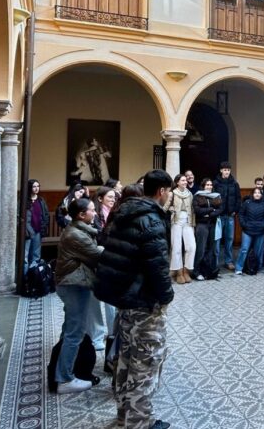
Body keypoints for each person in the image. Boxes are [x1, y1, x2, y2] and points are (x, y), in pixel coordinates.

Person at [94, 169, 174, 429]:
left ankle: (124, 416)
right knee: (146, 362)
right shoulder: (151, 218)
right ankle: (139, 423)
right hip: (144, 300)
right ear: (161, 191)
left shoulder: (123, 212)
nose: (169, 196)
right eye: (168, 191)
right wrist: (166, 296)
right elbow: (157, 264)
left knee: (126, 359)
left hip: (124, 297)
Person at [54, 197, 102, 394]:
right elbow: (96, 254)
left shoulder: (79, 230)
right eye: (92, 210)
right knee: (75, 332)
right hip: (74, 284)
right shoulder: (76, 235)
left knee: (70, 328)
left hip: (73, 283)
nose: (95, 213)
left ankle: (62, 369)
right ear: (82, 215)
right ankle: (64, 379)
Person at [168, 174, 196, 285]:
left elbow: (193, 210)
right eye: (183, 180)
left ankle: (186, 270)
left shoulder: (189, 194)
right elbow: (165, 207)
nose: (185, 182)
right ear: (177, 182)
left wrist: (193, 223)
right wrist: (171, 209)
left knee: (192, 247)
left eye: (185, 180)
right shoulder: (172, 193)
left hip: (188, 222)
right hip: (176, 222)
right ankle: (178, 272)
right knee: (177, 248)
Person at [236, 187, 264, 275]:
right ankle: (239, 268)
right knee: (244, 249)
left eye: (259, 193)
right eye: (255, 192)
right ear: (252, 194)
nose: (257, 194)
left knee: (258, 251)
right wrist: (244, 224)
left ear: (261, 195)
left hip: (260, 231)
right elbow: (241, 214)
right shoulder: (246, 203)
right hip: (247, 230)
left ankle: (258, 267)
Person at [213, 162, 241, 270]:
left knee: (229, 239)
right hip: (219, 216)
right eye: (225, 170)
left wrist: (235, 211)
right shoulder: (215, 183)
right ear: (221, 171)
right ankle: (215, 263)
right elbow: (212, 198)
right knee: (217, 240)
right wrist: (216, 212)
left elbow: (238, 199)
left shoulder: (234, 183)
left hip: (230, 216)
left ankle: (228, 261)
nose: (227, 172)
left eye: (228, 170)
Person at [192, 178, 222, 280]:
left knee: (211, 249)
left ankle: (209, 271)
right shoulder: (198, 196)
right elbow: (197, 210)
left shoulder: (216, 196)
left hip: (212, 224)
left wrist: (209, 214)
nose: (209, 187)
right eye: (207, 185)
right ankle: (196, 272)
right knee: (201, 249)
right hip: (202, 225)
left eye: (210, 185)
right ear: (203, 186)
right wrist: (210, 209)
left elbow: (220, 209)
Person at [25, 179, 49, 269]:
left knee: (36, 255)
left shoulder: (41, 200)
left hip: (38, 231)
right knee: (25, 255)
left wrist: (44, 225)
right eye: (34, 186)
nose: (36, 188)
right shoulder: (24, 200)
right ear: (30, 188)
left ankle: (34, 275)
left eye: (38, 186)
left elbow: (45, 215)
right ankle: (25, 276)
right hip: (27, 231)